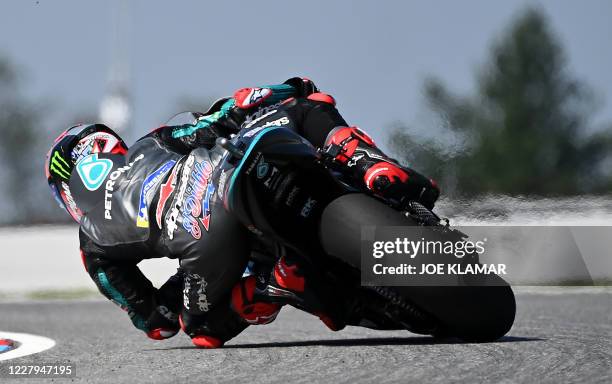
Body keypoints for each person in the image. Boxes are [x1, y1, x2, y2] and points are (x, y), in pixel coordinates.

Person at [45, 77, 439, 348]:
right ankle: (370, 165)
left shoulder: (92, 245)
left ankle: (275, 284)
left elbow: (157, 324)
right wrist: (280, 92)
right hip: (227, 171)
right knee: (304, 107)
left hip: (204, 244)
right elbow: (214, 122)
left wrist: (184, 280)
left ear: (66, 194)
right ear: (109, 145)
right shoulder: (151, 143)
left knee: (198, 327)